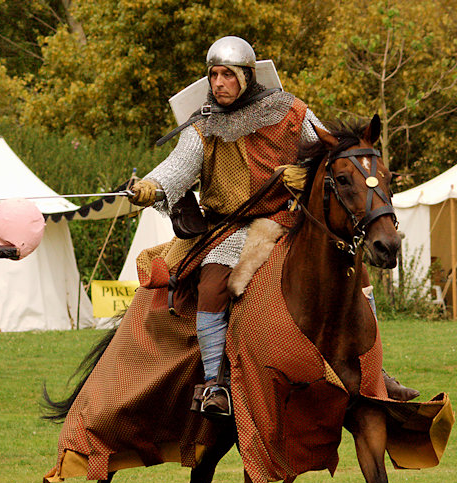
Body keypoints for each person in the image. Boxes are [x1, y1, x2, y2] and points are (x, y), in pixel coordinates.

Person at [127, 36, 418, 416]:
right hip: (230, 230)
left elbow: (329, 152)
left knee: (354, 269)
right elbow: (178, 167)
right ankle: (216, 384)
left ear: (247, 77)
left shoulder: (289, 110)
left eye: (228, 75)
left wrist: (301, 174)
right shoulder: (203, 126)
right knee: (213, 282)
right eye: (214, 75)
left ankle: (374, 370)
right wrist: (151, 187)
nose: (219, 83)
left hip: (290, 219)